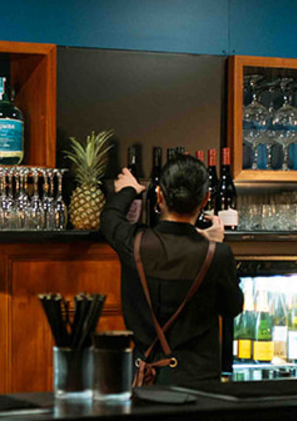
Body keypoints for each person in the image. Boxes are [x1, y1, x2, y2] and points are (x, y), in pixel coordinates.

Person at [100, 152, 244, 385]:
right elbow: (232, 308)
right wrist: (213, 244)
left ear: (159, 196)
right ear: (206, 199)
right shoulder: (218, 255)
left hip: (145, 380)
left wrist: (130, 189)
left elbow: (109, 218)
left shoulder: (133, 243)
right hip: (200, 383)